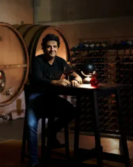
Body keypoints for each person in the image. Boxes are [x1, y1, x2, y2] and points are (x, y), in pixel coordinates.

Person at [25, 34, 83, 167]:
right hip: (36, 98)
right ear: (44, 48)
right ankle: (33, 160)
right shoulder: (37, 61)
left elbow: (74, 74)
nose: (52, 49)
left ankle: (50, 131)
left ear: (57, 48)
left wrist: (76, 79)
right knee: (31, 126)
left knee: (73, 112)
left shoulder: (60, 61)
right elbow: (37, 79)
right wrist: (55, 82)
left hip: (51, 99)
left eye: (54, 47)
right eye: (49, 47)